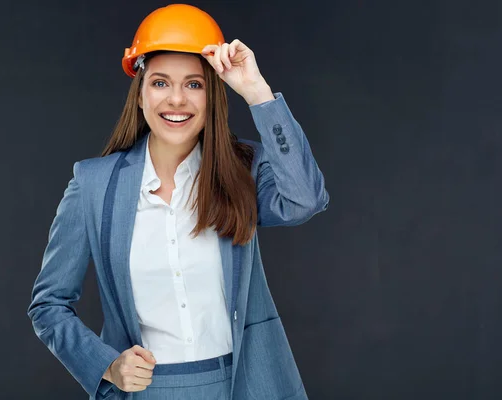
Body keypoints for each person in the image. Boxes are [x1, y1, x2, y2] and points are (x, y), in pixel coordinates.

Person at [27, 3, 329, 399]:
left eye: (194, 84)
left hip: (245, 386)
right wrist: (107, 365)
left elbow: (305, 200)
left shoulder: (243, 169)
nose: (176, 100)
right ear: (139, 95)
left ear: (212, 96)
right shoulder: (94, 185)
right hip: (147, 391)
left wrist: (257, 93)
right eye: (160, 83)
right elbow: (48, 304)